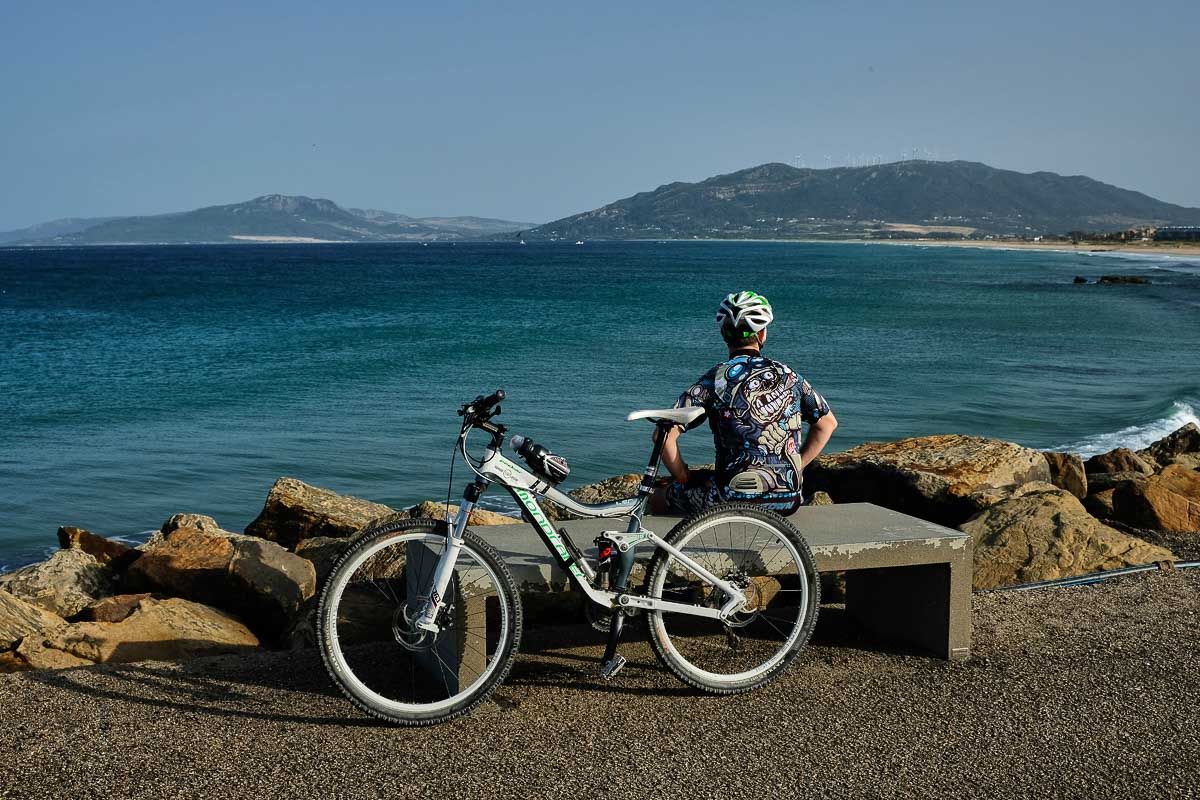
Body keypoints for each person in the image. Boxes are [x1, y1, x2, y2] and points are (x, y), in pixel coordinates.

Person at [652, 291, 838, 516]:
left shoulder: (716, 378)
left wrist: (682, 475)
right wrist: (797, 466)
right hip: (788, 499)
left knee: (659, 496)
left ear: (724, 335)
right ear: (762, 335)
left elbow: (663, 436)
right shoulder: (789, 376)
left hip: (730, 498)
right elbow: (827, 424)